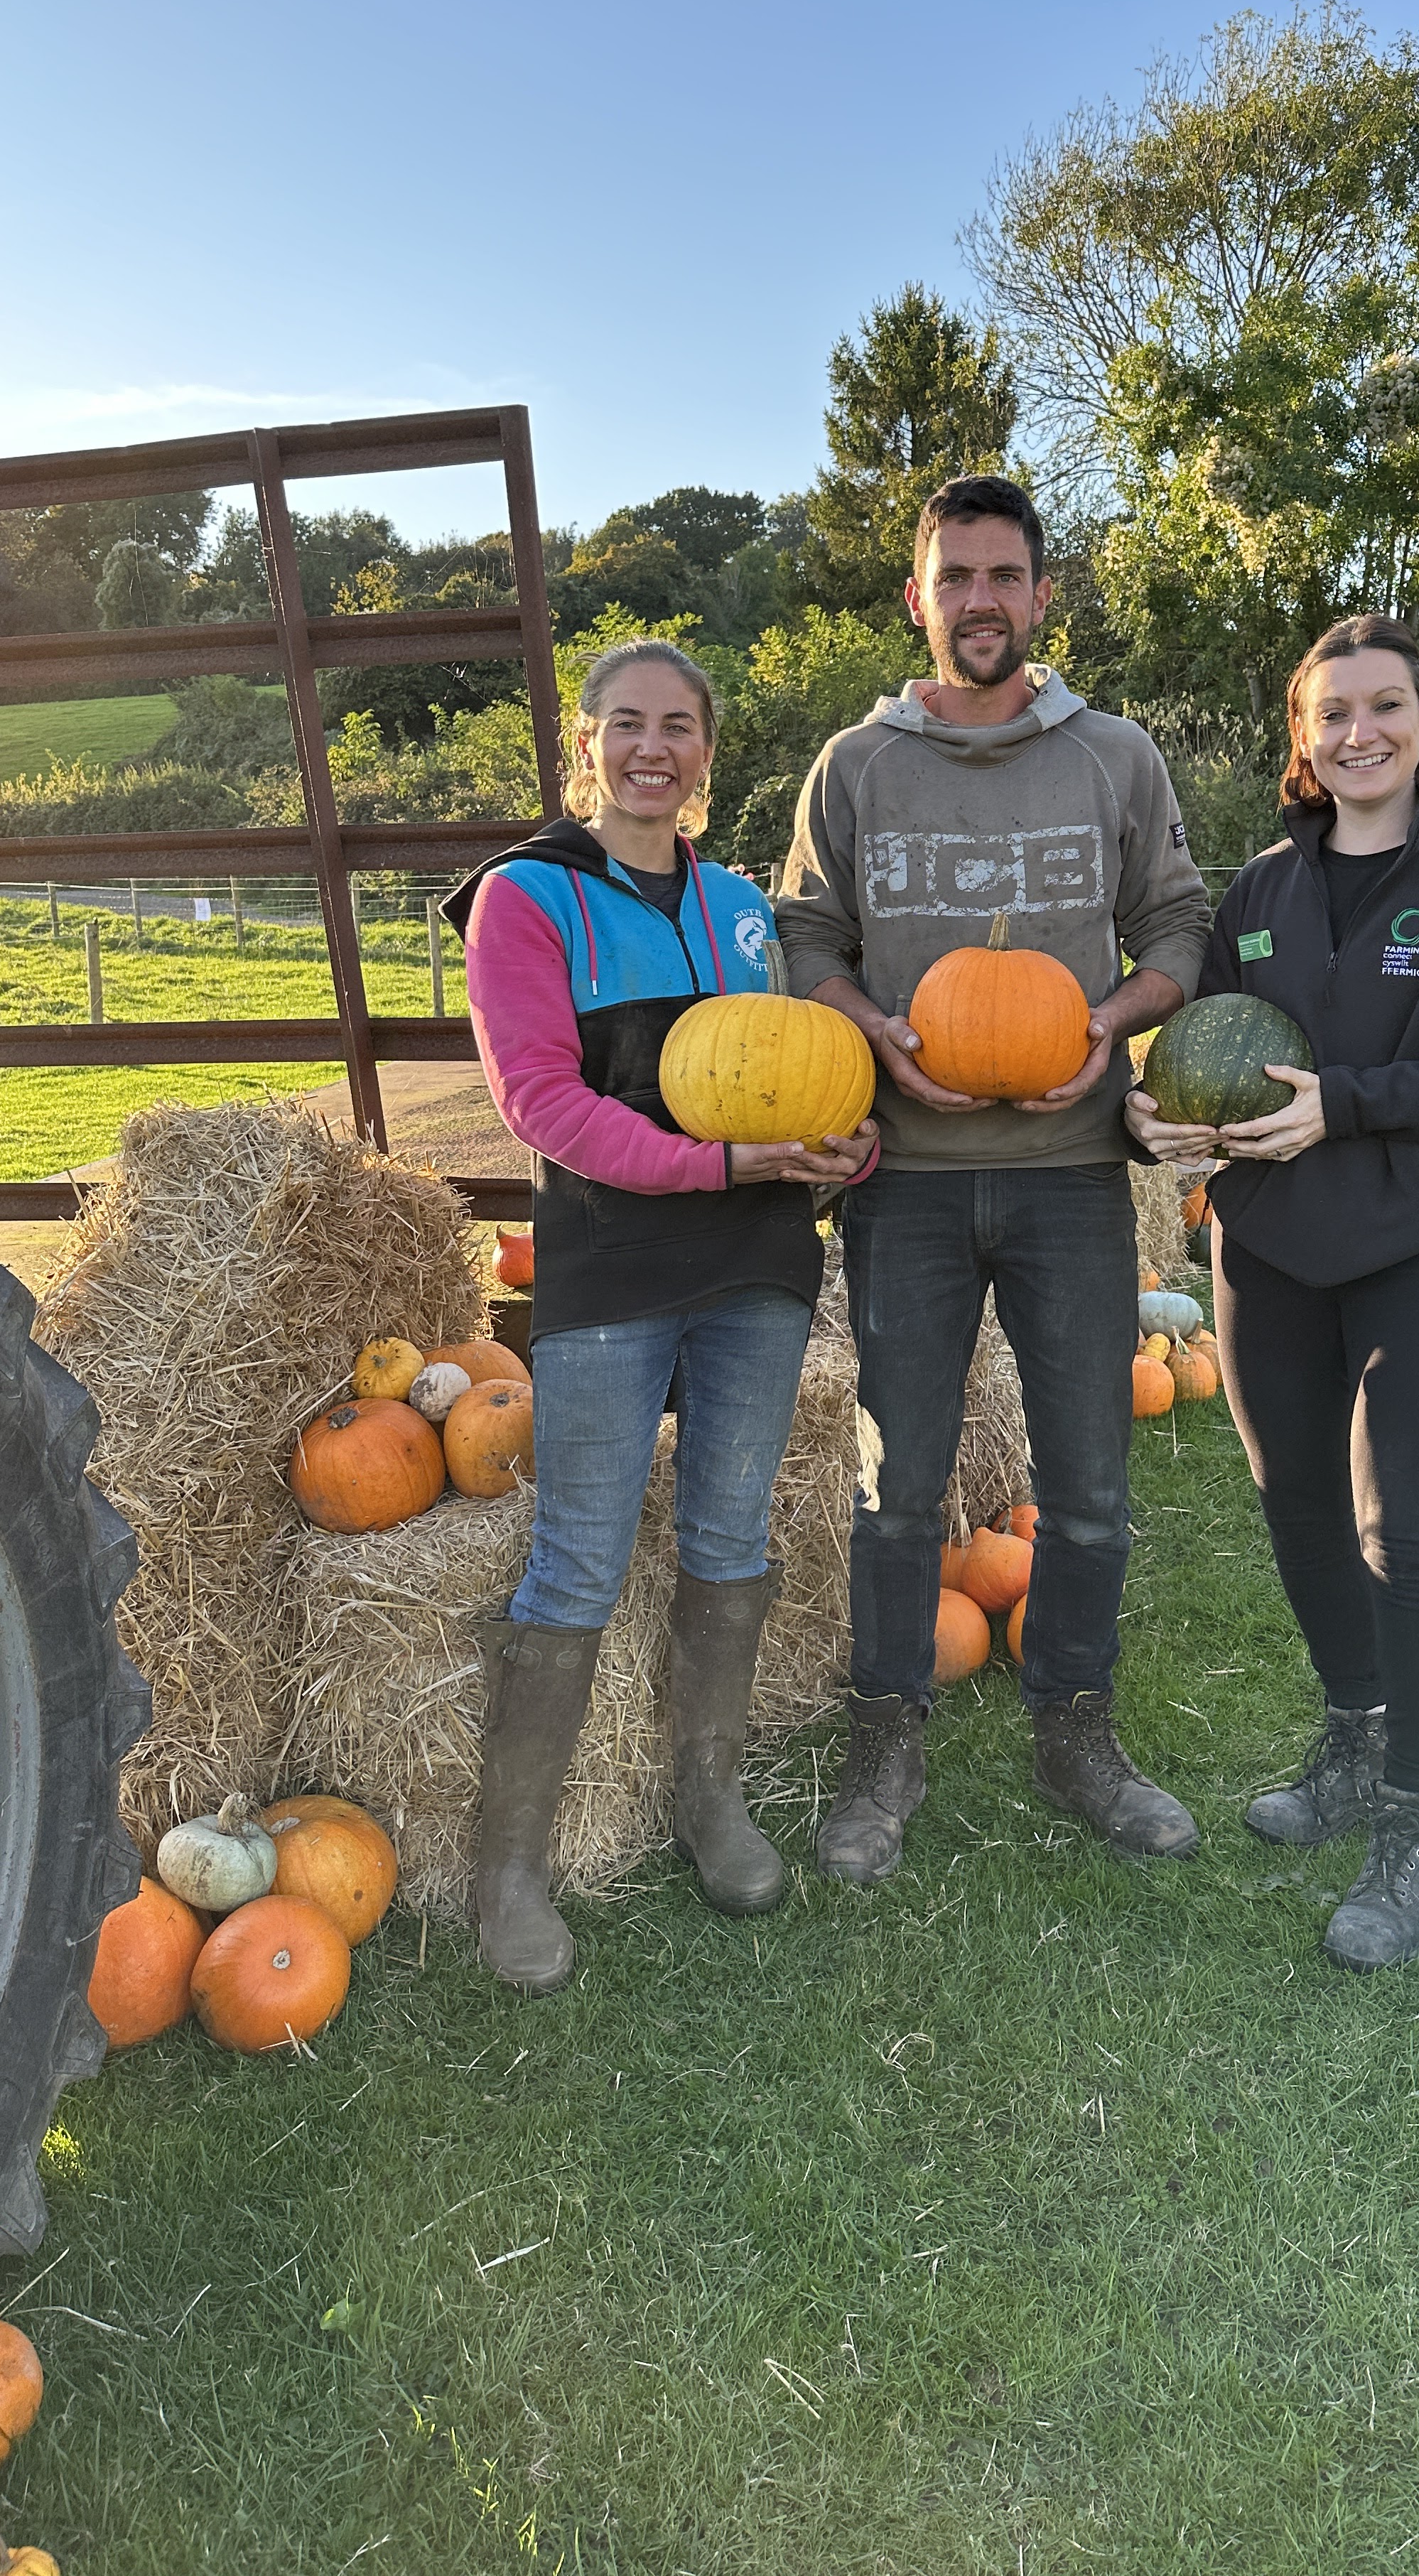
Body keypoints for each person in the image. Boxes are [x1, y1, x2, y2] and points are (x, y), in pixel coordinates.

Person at [1127, 613, 1419, 1970]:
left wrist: (1352, 1105)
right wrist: (1151, 1121)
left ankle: (1417, 1826)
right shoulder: (1261, 895)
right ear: (1302, 735)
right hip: (1266, 1251)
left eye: (1387, 706)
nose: (1361, 734)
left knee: (1406, 1534)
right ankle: (1352, 1735)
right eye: (1334, 714)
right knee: (1303, 1514)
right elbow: (1194, 1051)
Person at [776, 473, 1214, 1882]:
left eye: (1004, 576)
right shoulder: (855, 768)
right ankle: (886, 1731)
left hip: (1071, 1179)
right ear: (919, 599)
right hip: (904, 1182)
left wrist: (1109, 1025)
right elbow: (807, 943)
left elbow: (1179, 932)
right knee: (895, 1482)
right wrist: (879, 1038)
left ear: (1041, 594)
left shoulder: (1114, 760)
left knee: (1088, 1482)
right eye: (953, 576)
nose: (980, 600)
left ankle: (1076, 1726)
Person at [444, 639, 876, 1992]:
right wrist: (721, 1163)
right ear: (587, 745)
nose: (653, 748)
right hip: (613, 1263)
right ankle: (509, 1872)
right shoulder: (525, 900)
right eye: (626, 724)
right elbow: (542, 1107)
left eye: (679, 727)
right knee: (577, 1555)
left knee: (730, 1536)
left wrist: (836, 1149)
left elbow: (789, 1079)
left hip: (755, 1264)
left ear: (706, 752)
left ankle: (709, 1802)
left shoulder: (743, 905)